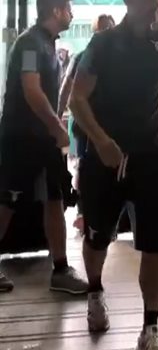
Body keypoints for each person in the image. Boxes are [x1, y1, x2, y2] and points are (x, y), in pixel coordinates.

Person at [70, 0, 158, 350]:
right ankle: (95, 292)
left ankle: (150, 328)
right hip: (105, 158)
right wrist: (101, 141)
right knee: (97, 237)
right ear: (130, 0)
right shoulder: (104, 44)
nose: (153, 5)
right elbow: (77, 99)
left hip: (152, 160)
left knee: (155, 245)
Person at [0, 0, 88, 295]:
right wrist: (56, 125)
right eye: (68, 9)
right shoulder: (29, 43)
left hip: (44, 138)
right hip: (22, 137)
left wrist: (54, 126)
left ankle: (61, 269)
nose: (72, 15)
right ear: (56, 11)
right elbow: (31, 90)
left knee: (55, 197)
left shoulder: (48, 44)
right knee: (8, 200)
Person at [58, 14, 115, 233]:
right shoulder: (84, 57)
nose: (107, 31)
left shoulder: (109, 57)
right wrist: (57, 116)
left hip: (104, 124)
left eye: (109, 27)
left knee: (96, 165)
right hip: (85, 123)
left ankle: (95, 212)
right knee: (85, 164)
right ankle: (85, 210)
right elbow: (67, 89)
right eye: (104, 28)